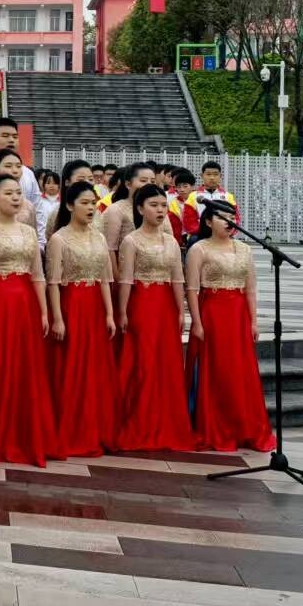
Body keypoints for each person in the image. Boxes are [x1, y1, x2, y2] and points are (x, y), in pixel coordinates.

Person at [0, 173, 60, 466]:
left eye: (18, 192)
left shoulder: (29, 232)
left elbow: (38, 274)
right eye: (8, 193)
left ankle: (26, 432)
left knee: (27, 366)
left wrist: (44, 311)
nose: (15, 197)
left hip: (26, 304)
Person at [186, 200, 275, 453]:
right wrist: (197, 323)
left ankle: (243, 426)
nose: (229, 222)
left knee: (240, 371)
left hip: (238, 315)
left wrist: (253, 321)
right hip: (212, 312)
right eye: (222, 217)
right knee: (217, 370)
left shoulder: (244, 249)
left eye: (232, 217)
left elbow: (251, 289)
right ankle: (216, 425)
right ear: (208, 221)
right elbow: (191, 290)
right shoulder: (199, 249)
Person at [114, 184, 195, 452]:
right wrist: (123, 311)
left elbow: (178, 279)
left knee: (167, 364)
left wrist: (181, 311)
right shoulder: (131, 241)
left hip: (165, 307)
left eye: (163, 206)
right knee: (144, 363)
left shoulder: (171, 241)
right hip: (142, 304)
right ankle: (140, 422)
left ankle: (168, 423)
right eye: (154, 205)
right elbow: (126, 280)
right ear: (140, 208)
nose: (160, 210)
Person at [45, 179, 118, 458]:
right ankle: (72, 430)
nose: (90, 208)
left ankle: (98, 429)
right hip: (71, 305)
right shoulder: (59, 239)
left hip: (95, 307)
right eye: (84, 203)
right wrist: (58, 318)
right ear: (69, 205)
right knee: (73, 369)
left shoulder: (99, 237)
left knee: (96, 370)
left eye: (93, 203)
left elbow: (104, 278)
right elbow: (53, 282)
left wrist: (109, 313)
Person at [103, 161, 156, 258]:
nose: (149, 185)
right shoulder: (116, 210)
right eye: (143, 180)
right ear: (128, 184)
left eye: (152, 181)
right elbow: (110, 249)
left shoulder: (159, 208)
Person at [184, 161, 237, 240]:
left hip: (223, 234)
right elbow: (189, 220)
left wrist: (226, 231)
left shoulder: (228, 196)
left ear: (220, 176)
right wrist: (204, 232)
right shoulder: (193, 196)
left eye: (215, 174)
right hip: (200, 235)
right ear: (202, 176)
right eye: (208, 174)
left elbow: (236, 217)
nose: (212, 177)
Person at [33, 168, 62, 251]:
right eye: (48, 183)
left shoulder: (63, 202)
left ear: (59, 185)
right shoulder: (38, 201)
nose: (51, 186)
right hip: (42, 240)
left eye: (55, 183)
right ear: (44, 185)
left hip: (60, 240)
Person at [167, 167, 196, 241]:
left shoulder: (198, 200)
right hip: (179, 236)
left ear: (193, 187)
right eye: (179, 187)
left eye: (185, 186)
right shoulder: (173, 203)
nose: (182, 190)